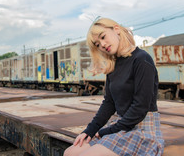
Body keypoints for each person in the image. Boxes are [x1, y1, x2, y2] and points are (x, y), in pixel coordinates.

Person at [64, 17, 164, 156]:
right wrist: (89, 131)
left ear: (116, 29)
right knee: (70, 153)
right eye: (97, 44)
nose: (103, 45)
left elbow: (140, 107)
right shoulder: (114, 66)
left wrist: (106, 131)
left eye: (103, 37)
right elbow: (109, 103)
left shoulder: (141, 59)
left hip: (141, 128)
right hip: (121, 125)